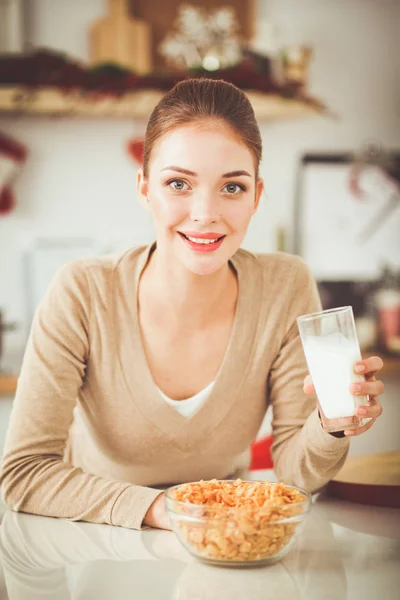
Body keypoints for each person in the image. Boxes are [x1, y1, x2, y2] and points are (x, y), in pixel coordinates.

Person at [0, 79, 384, 532]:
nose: (205, 213)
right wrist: (168, 510)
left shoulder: (285, 284)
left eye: (232, 188)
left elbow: (298, 476)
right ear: (144, 189)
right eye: (178, 183)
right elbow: (23, 474)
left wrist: (331, 423)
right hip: (95, 539)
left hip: (226, 538)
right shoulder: (82, 292)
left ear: (257, 196)